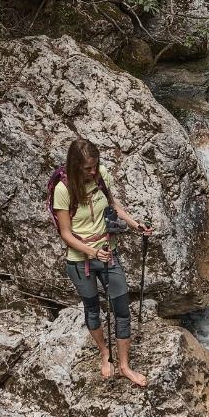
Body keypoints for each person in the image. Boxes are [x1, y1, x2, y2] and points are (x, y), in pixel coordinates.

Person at [52, 138, 153, 386]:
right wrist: (92, 252)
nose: (93, 172)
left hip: (109, 254)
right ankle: (104, 352)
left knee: (121, 309)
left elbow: (113, 204)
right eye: (87, 168)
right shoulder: (63, 190)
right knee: (92, 310)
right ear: (75, 167)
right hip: (80, 260)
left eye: (95, 166)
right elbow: (65, 233)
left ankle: (125, 366)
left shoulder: (101, 175)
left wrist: (134, 224)